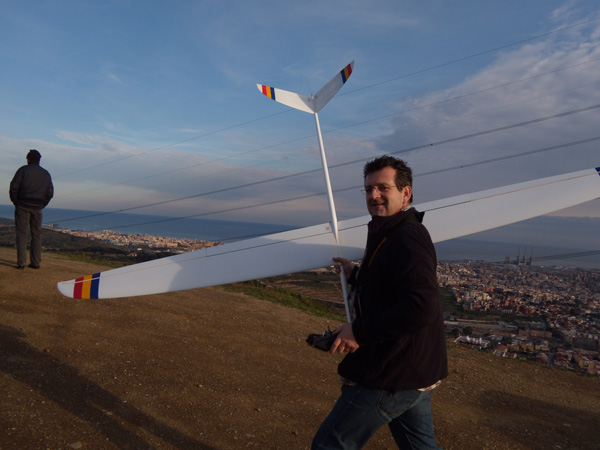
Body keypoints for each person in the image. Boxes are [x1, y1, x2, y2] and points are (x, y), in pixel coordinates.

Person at [312, 155, 447, 450]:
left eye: (383, 188)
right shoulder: (390, 229)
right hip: (414, 370)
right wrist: (356, 275)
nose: (373, 195)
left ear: (405, 193)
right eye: (369, 189)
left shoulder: (407, 236)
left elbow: (420, 307)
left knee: (329, 445)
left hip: (392, 370)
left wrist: (359, 331)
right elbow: (391, 286)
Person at [9, 149, 54, 269]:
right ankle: (35, 263)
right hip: (38, 207)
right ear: (39, 160)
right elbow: (50, 192)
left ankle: (21, 263)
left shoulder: (23, 170)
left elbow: (14, 187)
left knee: (21, 234)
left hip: (22, 205)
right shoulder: (46, 174)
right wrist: (42, 204)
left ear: (28, 159)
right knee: (36, 235)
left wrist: (16, 201)